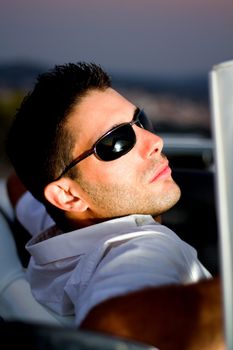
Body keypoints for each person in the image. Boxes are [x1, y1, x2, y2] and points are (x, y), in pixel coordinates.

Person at [5, 62, 224, 349]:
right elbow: (110, 328)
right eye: (117, 141)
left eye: (140, 120)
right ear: (68, 197)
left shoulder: (65, 223)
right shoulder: (145, 248)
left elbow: (16, 185)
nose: (156, 141)